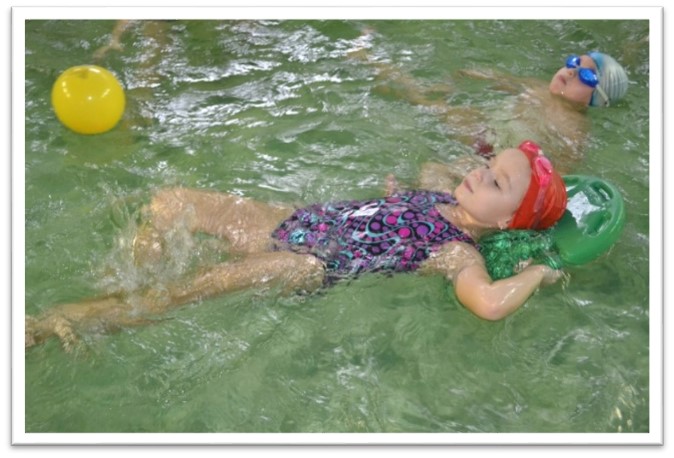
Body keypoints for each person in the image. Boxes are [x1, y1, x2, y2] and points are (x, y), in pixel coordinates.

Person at [25, 140, 569, 352]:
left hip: (305, 263)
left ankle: (69, 320)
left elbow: (488, 303)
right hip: (293, 222)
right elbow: (426, 173)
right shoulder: (440, 197)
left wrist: (537, 273)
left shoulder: (457, 252)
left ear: (509, 221)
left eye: (496, 182)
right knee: (170, 202)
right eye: (487, 165)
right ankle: (127, 284)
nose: (478, 174)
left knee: (192, 287)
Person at [355, 41, 629, 173]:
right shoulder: (537, 87)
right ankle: (376, 66)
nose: (571, 71)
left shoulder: (575, 127)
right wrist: (473, 74)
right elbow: (505, 81)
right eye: (573, 62)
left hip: (496, 161)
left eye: (586, 75)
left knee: (437, 169)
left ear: (597, 99)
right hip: (484, 128)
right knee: (430, 104)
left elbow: (561, 172)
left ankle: (412, 201)